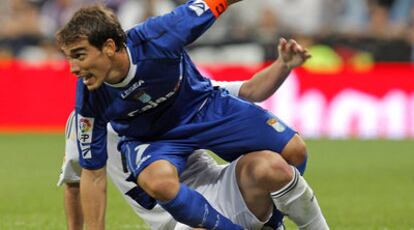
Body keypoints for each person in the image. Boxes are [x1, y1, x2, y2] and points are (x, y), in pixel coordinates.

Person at [56, 1, 329, 229]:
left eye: (79, 55)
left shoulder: (159, 37)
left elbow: (213, 5)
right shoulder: (89, 103)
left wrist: (283, 64)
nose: (72, 68)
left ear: (109, 47)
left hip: (201, 109)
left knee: (294, 150)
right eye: (69, 57)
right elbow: (89, 175)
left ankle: (274, 224)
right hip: (153, 142)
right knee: (156, 180)